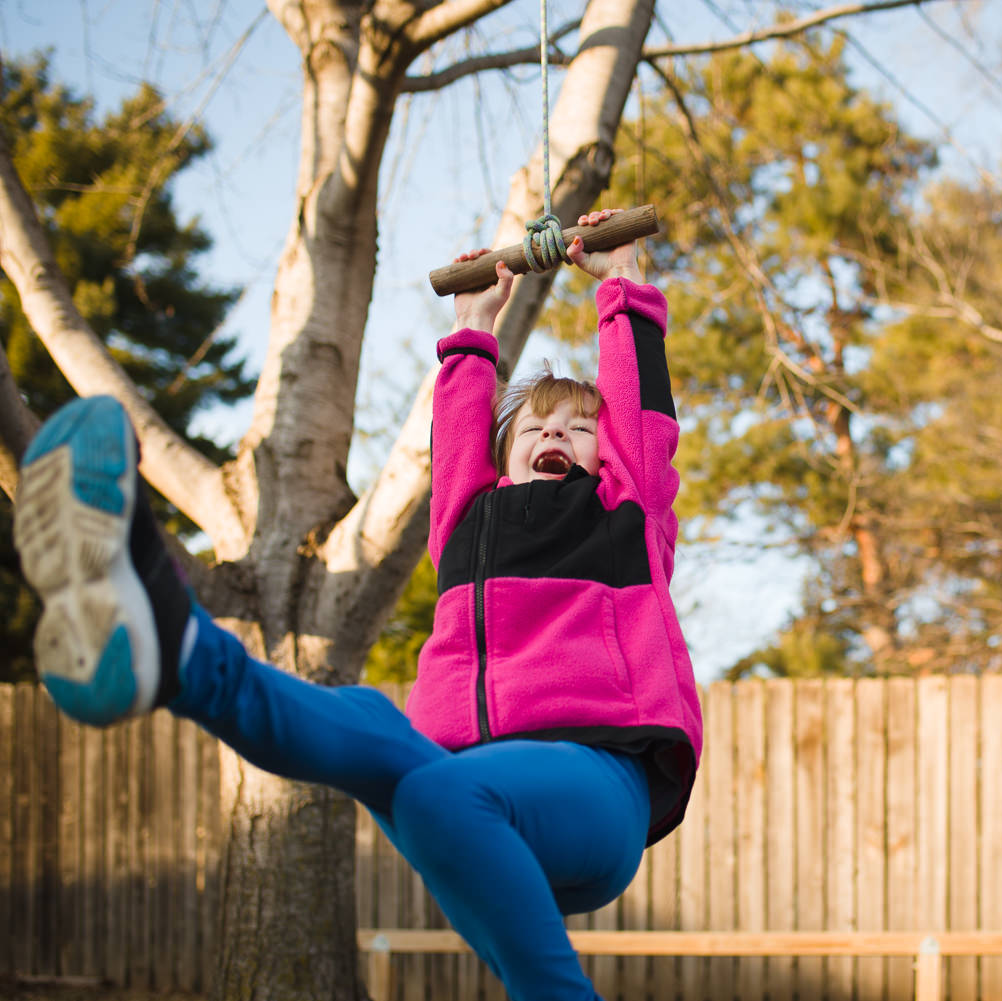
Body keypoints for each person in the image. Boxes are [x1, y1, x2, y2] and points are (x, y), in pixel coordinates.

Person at [13, 209, 703, 1001]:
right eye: (536, 425)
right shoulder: (468, 525)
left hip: (598, 782)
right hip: (464, 791)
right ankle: (175, 652)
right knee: (373, 722)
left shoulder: (627, 514)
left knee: (437, 789)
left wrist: (623, 284)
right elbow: (455, 446)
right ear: (502, 459)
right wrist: (475, 327)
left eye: (581, 427)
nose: (557, 431)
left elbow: (642, 420)